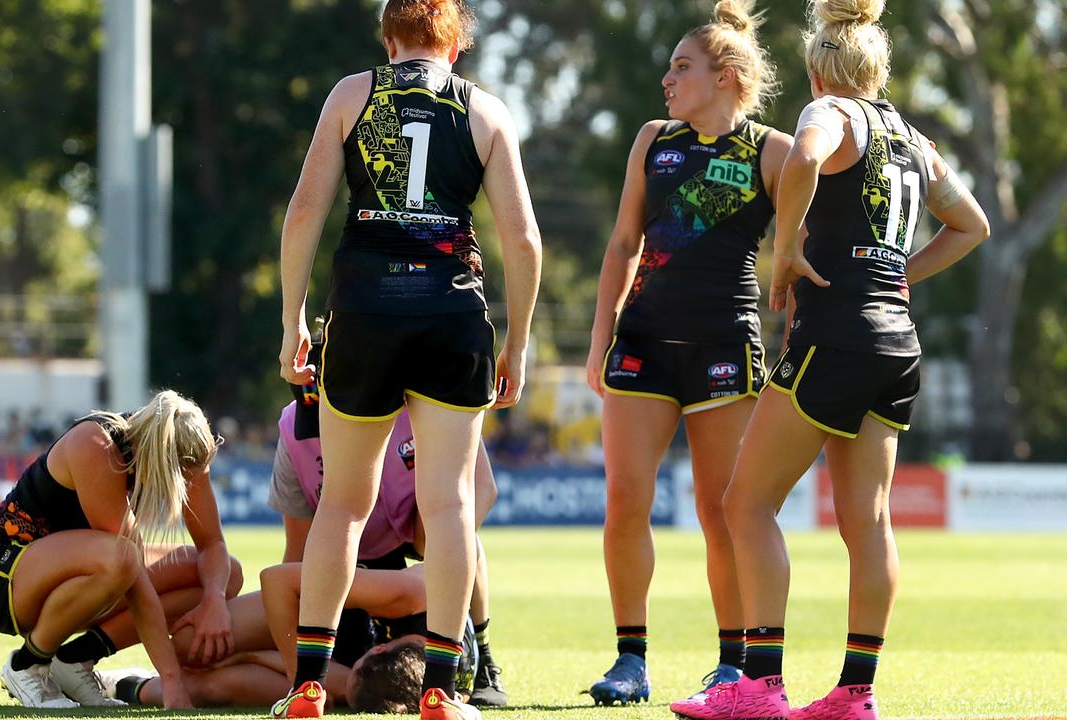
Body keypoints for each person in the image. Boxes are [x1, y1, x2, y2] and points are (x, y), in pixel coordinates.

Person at [669, 1, 990, 718]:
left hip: (838, 334)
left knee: (746, 504)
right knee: (867, 524)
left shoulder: (831, 112)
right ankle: (855, 693)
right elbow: (974, 225)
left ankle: (760, 686)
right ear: (878, 68)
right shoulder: (913, 139)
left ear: (819, 70)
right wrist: (899, 272)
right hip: (897, 344)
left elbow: (807, 156)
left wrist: (784, 251)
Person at [275, 0, 542, 717]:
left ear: (389, 38)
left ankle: (306, 685)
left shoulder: (351, 93)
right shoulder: (484, 109)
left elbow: (304, 212)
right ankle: (441, 692)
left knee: (344, 503)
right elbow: (523, 241)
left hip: (362, 313)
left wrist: (291, 319)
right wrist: (517, 343)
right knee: (451, 503)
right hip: (452, 315)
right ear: (454, 44)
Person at [582, 0, 792, 705]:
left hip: (725, 349)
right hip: (640, 342)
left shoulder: (774, 150)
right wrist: (598, 338)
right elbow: (621, 245)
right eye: (670, 66)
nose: (667, 78)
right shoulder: (653, 139)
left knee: (722, 510)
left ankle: (732, 665)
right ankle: (630, 662)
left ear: (726, 76)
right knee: (624, 503)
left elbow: (812, 229)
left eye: (682, 66)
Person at [0, 390, 239, 709]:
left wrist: (214, 600)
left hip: (76, 576)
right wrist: (172, 681)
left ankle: (74, 661)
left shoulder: (188, 453)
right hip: (3, 580)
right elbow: (133, 576)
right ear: (154, 454)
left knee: (222, 575)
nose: (183, 484)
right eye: (177, 477)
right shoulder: (97, 445)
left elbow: (213, 546)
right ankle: (27, 664)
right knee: (122, 556)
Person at [271, 379, 508, 706]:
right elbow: (295, 553)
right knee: (347, 667)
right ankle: (304, 682)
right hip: (345, 556)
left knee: (464, 538)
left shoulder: (424, 399)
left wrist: (438, 555)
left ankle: (484, 657)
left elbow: (483, 489)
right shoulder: (294, 428)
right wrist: (292, 641)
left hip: (415, 531)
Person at [98, 561, 478, 713]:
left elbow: (353, 684)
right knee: (190, 645)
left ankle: (117, 685)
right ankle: (92, 648)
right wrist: (304, 681)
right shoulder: (407, 596)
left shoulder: (429, 690)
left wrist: (248, 659)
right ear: (380, 647)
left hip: (371, 674)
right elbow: (277, 577)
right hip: (335, 614)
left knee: (217, 686)